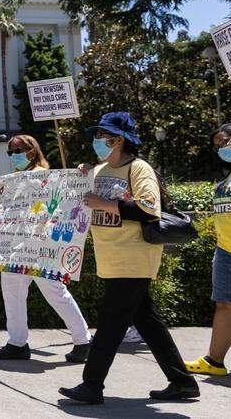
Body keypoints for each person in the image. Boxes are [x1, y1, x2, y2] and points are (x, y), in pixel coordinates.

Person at [59, 112, 198, 405]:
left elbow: (149, 209)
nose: (97, 141)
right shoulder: (99, 170)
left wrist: (106, 204)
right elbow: (78, 197)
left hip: (134, 259)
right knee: (148, 323)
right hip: (113, 259)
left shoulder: (139, 168)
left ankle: (91, 386)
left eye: (102, 136)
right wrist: (80, 175)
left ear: (119, 140)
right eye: (96, 136)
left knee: (110, 323)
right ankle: (183, 383)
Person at [0, 135, 91, 362]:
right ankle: (17, 342)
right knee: (12, 293)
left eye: (20, 149)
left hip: (41, 247)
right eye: (11, 151)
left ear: (32, 151)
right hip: (16, 247)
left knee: (54, 292)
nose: (15, 155)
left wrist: (81, 174)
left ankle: (83, 340)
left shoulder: (46, 176)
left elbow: (66, 196)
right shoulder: (13, 179)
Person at [184, 123, 231, 376]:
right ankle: (214, 362)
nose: (221, 149)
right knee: (225, 305)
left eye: (224, 142)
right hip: (227, 251)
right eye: (216, 146)